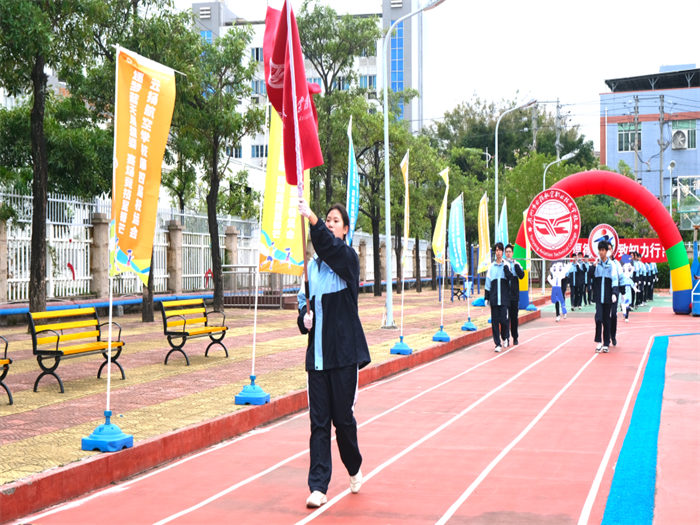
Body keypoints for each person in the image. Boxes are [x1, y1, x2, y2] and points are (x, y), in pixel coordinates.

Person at [296, 199, 371, 508]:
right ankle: (318, 486)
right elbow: (302, 306)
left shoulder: (347, 260)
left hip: (343, 356)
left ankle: (353, 466)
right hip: (317, 359)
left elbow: (328, 247)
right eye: (327, 219)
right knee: (319, 423)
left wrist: (312, 218)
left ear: (346, 230)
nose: (329, 223)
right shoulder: (310, 269)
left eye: (335, 221)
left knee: (343, 420)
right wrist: (304, 319)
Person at [484, 242, 513, 352]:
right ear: (495, 252)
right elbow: (488, 283)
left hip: (504, 299)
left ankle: (505, 336)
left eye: (500, 250)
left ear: (502, 252)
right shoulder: (491, 267)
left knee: (504, 321)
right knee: (495, 322)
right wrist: (486, 297)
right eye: (496, 250)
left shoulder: (507, 265)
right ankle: (497, 344)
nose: (498, 252)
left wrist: (505, 268)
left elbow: (510, 278)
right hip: (494, 299)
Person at [592, 240, 619, 353]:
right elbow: (591, 277)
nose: (601, 252)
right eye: (600, 250)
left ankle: (606, 343)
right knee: (598, 318)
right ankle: (599, 341)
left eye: (603, 250)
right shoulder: (597, 265)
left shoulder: (611, 265)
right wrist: (593, 267)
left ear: (607, 251)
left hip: (608, 296)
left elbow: (615, 279)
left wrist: (614, 293)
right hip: (599, 296)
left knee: (606, 320)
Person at [504, 244, 525, 345]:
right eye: (506, 252)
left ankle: (515, 337)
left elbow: (521, 276)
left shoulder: (517, 264)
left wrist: (516, 266)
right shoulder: (503, 264)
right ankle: (506, 338)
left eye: (509, 252)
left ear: (512, 253)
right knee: (505, 318)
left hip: (514, 295)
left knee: (514, 317)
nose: (508, 253)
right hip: (505, 295)